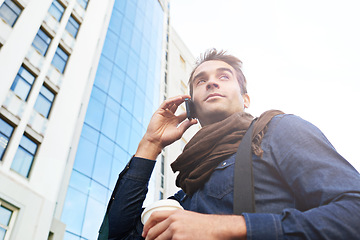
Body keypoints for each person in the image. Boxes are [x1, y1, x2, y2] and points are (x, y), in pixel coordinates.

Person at [98, 49, 360, 240]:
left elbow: (353, 212)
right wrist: (151, 143)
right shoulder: (187, 191)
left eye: (224, 77)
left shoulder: (278, 130)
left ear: (245, 99)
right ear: (191, 108)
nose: (211, 82)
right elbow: (114, 236)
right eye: (201, 81)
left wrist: (220, 228)